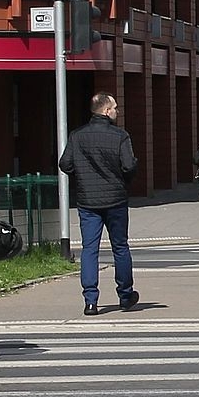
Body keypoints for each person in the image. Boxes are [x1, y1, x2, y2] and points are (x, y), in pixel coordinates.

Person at [58, 91, 138, 315]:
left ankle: (90, 300)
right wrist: (124, 180)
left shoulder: (77, 136)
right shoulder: (120, 136)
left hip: (87, 200)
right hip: (116, 198)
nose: (117, 111)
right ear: (106, 111)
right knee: (120, 247)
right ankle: (125, 294)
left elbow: (65, 163)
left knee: (89, 249)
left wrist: (81, 175)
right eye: (115, 108)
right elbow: (129, 166)